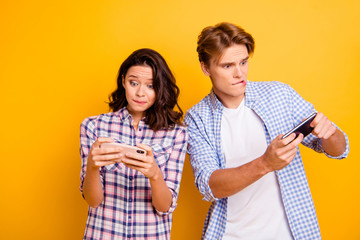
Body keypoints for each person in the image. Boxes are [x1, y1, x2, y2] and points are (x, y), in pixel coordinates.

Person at [184, 22, 349, 240]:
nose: (239, 73)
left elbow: (338, 150)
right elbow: (209, 185)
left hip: (292, 233)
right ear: (206, 68)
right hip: (231, 234)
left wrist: (331, 134)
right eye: (227, 66)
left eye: (243, 62)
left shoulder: (279, 95)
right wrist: (265, 163)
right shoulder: (196, 118)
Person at [79, 48, 188, 239]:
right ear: (123, 81)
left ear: (160, 88)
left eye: (150, 86)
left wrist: (154, 174)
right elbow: (93, 201)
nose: (140, 93)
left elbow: (164, 207)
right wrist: (92, 167)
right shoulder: (93, 126)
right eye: (133, 83)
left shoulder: (176, 134)